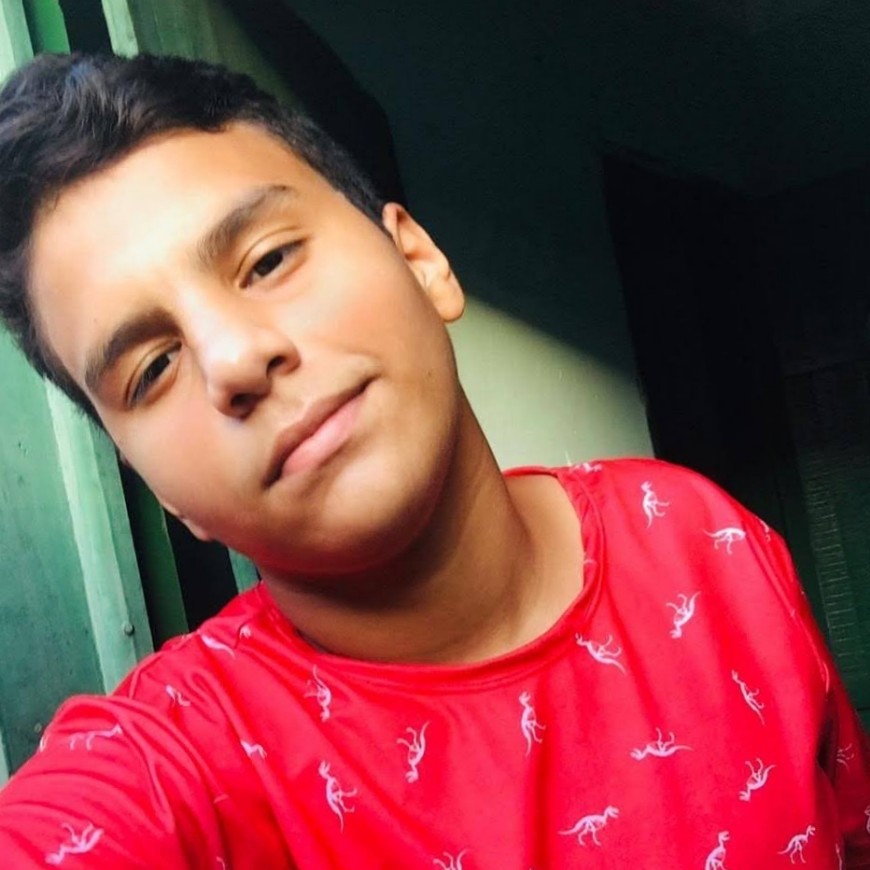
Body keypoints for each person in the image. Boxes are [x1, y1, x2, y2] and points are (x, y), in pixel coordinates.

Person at [0, 51, 867, 869]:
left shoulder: (699, 534)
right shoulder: (173, 762)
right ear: (160, 491)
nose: (234, 360)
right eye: (153, 369)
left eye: (267, 261)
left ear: (421, 262)